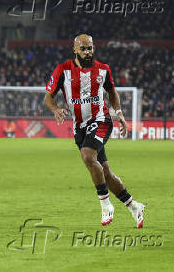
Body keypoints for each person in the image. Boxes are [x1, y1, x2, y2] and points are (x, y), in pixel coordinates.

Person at [44, 34, 145, 228]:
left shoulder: (103, 70)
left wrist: (120, 113)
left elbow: (112, 92)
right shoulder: (62, 70)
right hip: (79, 127)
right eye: (83, 48)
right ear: (75, 49)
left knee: (88, 156)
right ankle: (134, 207)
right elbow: (48, 97)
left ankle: (106, 205)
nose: (87, 52)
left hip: (101, 121)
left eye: (90, 48)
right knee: (105, 172)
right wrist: (55, 109)